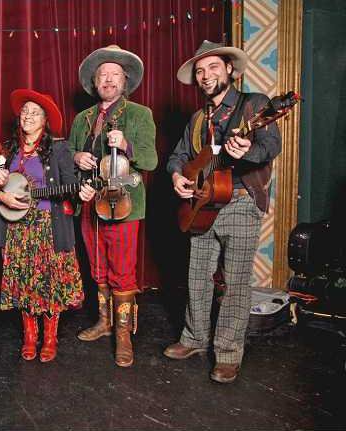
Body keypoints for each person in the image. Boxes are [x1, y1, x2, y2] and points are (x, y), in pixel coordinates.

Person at [164, 40, 282, 384]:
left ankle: (228, 354)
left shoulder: (254, 105)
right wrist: (177, 177)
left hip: (241, 202)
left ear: (230, 69)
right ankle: (194, 338)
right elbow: (178, 156)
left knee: (235, 283)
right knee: (197, 276)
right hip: (202, 204)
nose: (206, 75)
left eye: (213, 67)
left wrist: (248, 150)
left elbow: (271, 145)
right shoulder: (198, 118)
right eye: (200, 71)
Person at [69, 45, 157, 367]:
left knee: (122, 271)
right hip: (89, 204)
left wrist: (127, 145)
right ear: (95, 83)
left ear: (125, 81)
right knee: (97, 268)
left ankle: (123, 334)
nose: (108, 79)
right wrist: (77, 156)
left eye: (114, 74)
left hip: (123, 206)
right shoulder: (82, 119)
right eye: (102, 75)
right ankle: (104, 322)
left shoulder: (139, 114)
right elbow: (67, 157)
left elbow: (150, 161)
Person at [0, 89, 89, 362]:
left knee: (50, 282)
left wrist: (81, 192)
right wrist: (0, 193)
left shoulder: (58, 149)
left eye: (35, 112)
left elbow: (70, 185)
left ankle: (49, 337)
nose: (28, 116)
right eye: (25, 111)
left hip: (48, 226)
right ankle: (29, 336)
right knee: (23, 282)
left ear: (45, 120)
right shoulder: (8, 149)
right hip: (15, 228)